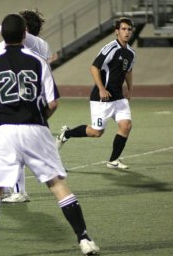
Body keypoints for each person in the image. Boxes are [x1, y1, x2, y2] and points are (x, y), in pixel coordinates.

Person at [0, 13, 99, 256]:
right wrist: (39, 121)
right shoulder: (39, 61)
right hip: (35, 128)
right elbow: (53, 103)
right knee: (57, 184)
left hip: (3, 130)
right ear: (25, 34)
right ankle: (85, 239)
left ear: (4, 35)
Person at [0, 8, 57, 203]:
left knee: (14, 145)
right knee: (18, 146)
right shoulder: (43, 45)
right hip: (37, 100)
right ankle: (8, 189)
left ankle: (18, 191)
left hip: (17, 100)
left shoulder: (23, 42)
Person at [56, 16, 135, 170]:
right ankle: (67, 133)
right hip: (102, 98)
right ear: (117, 32)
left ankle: (113, 160)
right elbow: (94, 67)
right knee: (96, 132)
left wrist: (130, 88)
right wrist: (101, 89)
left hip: (118, 98)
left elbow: (128, 71)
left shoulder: (131, 53)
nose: (126, 32)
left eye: (129, 29)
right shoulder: (110, 48)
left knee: (126, 125)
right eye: (123, 29)